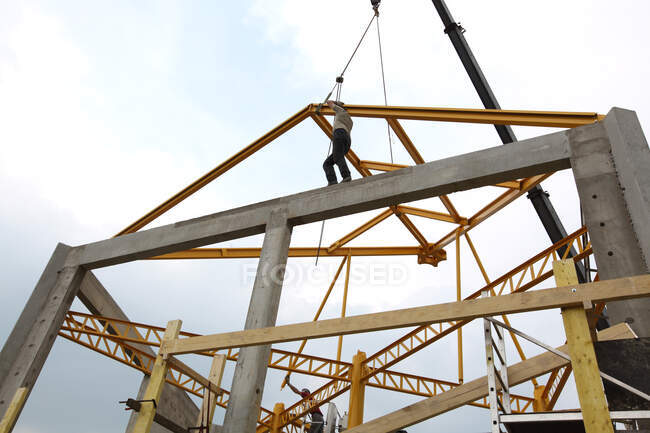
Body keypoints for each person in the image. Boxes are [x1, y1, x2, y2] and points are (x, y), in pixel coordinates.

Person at [323, 100, 353, 186]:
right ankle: (332, 181)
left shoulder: (340, 112)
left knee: (338, 156)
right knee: (327, 163)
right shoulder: (350, 121)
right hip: (347, 140)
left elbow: (330, 103)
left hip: (339, 134)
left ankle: (346, 176)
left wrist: (332, 102)